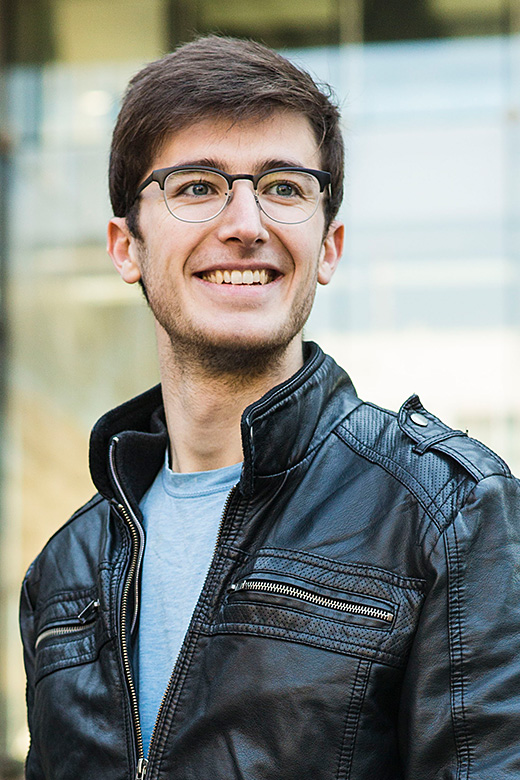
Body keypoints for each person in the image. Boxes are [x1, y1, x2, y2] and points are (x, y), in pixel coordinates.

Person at [20, 35, 520, 780]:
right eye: (197, 186)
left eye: (284, 188)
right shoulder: (66, 568)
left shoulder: (446, 514)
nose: (246, 224)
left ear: (330, 246)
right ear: (126, 247)